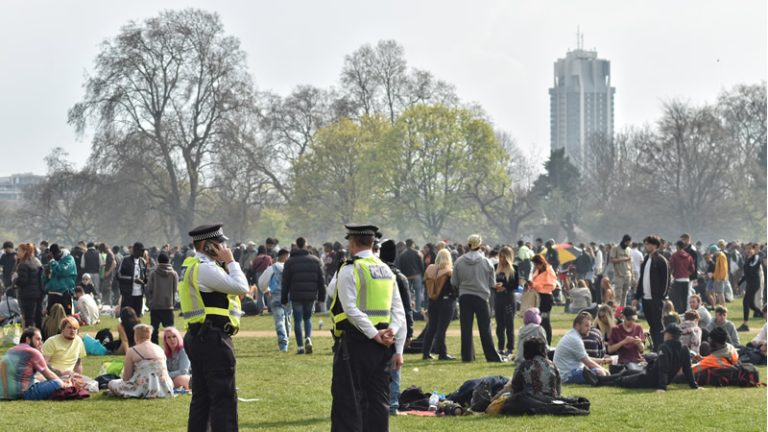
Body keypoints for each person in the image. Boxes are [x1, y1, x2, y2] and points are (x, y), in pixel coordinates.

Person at [329, 223, 406, 432]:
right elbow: (399, 313)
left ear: (352, 243)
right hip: (383, 346)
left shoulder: (350, 268)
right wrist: (394, 341)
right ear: (373, 243)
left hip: (356, 343)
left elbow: (350, 309)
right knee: (378, 403)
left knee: (348, 402)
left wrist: (374, 334)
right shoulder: (386, 271)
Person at [180, 224, 248, 432]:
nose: (224, 247)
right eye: (219, 243)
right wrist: (231, 262)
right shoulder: (206, 268)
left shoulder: (191, 264)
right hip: (213, 339)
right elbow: (242, 288)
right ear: (207, 245)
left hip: (198, 335)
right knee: (224, 398)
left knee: (202, 398)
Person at [587, 324, 700, 392]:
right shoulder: (684, 348)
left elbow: (663, 368)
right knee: (626, 373)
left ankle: (597, 382)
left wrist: (661, 387)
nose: (664, 335)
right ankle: (599, 379)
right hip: (649, 373)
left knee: (622, 380)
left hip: (650, 379)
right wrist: (694, 385)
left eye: (665, 334)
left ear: (669, 335)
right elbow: (687, 369)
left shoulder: (664, 347)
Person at [452, 234, 503, 362]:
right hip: (481, 297)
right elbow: (492, 283)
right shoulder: (486, 262)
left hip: (464, 296)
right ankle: (491, 356)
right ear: (480, 245)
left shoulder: (459, 261)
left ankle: (467, 356)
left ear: (468, 245)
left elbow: (454, 282)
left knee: (466, 328)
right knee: (485, 328)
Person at [378, 238, 414, 415]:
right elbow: (406, 307)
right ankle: (392, 404)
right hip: (396, 326)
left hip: (377, 326)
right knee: (395, 366)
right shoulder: (399, 277)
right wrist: (409, 332)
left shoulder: (376, 273)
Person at [281, 237, 326, 354]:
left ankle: (300, 346)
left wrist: (284, 297)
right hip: (311, 294)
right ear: (306, 245)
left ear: (296, 245)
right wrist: (322, 296)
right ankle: (308, 338)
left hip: (296, 294)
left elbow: (285, 281)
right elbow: (321, 281)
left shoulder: (290, 262)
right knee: (307, 318)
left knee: (297, 320)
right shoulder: (316, 260)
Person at [108, 323, 174, 398]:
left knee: (111, 383)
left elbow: (126, 378)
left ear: (136, 336)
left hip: (143, 389)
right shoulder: (160, 349)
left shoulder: (132, 351)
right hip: (165, 388)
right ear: (150, 335)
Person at [0, 327, 66, 400]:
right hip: (22, 394)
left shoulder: (11, 350)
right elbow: (49, 375)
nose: (41, 343)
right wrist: (64, 384)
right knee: (57, 383)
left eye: (41, 340)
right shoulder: (32, 352)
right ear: (28, 339)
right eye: (38, 339)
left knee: (40, 379)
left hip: (3, 395)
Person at [632, 235, 669, 351]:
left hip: (656, 299)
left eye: (647, 244)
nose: (645, 246)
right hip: (646, 298)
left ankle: (661, 347)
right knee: (652, 325)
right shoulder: (646, 260)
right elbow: (642, 280)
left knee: (658, 325)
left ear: (654, 245)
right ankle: (655, 347)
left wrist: (661, 296)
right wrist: (636, 296)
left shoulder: (661, 260)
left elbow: (667, 280)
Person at [552, 312, 610, 384]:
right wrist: (603, 369)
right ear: (577, 326)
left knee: (599, 371)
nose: (589, 329)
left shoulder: (573, 335)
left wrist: (603, 361)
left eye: (590, 326)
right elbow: (588, 362)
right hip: (568, 376)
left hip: (570, 372)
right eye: (586, 326)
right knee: (600, 372)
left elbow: (586, 358)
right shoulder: (574, 339)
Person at [422, 248, 456, 361]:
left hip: (432, 302)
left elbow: (425, 285)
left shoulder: (430, 269)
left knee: (431, 328)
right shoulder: (449, 272)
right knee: (441, 329)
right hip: (446, 302)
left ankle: (426, 353)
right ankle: (442, 353)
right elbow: (454, 289)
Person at [258, 249, 291, 352]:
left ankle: (283, 344)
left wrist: (266, 290)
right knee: (287, 320)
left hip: (276, 297)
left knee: (279, 321)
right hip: (289, 297)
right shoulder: (290, 268)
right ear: (285, 256)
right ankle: (287, 339)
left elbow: (262, 281)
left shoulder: (272, 268)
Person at [146, 252, 178, 344]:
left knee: (154, 331)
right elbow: (175, 289)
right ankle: (171, 350)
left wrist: (150, 302)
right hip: (168, 306)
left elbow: (149, 289)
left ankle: (155, 351)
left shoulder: (154, 273)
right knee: (171, 332)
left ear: (158, 261)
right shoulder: (174, 274)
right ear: (169, 261)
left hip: (155, 306)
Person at [494, 246, 519, 356]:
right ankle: (500, 347)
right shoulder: (495, 267)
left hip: (509, 299)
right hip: (498, 299)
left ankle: (510, 347)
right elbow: (490, 282)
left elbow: (515, 285)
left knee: (509, 324)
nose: (501, 260)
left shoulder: (514, 268)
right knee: (499, 324)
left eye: (504, 257)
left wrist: (504, 286)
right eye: (500, 257)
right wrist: (495, 286)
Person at [13, 243, 44, 329]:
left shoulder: (23, 264)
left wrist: (15, 279)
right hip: (38, 294)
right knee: (38, 318)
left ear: (25, 252)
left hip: (28, 295)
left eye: (19, 251)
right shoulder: (35, 262)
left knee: (29, 318)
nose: (17, 253)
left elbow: (23, 281)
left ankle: (29, 338)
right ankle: (40, 337)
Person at [529, 254, 557, 344]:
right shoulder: (538, 270)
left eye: (536, 264)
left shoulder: (549, 271)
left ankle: (547, 341)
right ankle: (540, 340)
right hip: (538, 297)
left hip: (546, 298)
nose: (535, 266)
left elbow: (551, 285)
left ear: (541, 263)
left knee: (545, 321)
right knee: (539, 321)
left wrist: (535, 285)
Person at [43, 244, 77, 315]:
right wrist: (46, 274)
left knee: (66, 315)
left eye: (53, 256)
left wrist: (52, 261)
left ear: (59, 253)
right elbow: (45, 278)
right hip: (52, 293)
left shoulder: (69, 259)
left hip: (64, 293)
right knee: (51, 316)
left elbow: (62, 271)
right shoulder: (53, 262)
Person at [738, 243, 765, 332]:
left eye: (750, 248)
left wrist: (747, 265)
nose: (748, 250)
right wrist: (739, 283)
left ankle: (745, 325)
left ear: (754, 249)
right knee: (751, 304)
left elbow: (751, 269)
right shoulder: (748, 259)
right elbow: (746, 274)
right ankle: (764, 314)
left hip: (754, 283)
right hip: (750, 283)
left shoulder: (756, 258)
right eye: (747, 249)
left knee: (746, 301)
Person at [117, 242, 148, 317]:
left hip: (139, 294)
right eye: (141, 250)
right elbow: (118, 275)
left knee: (137, 316)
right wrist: (133, 279)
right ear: (135, 251)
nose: (143, 252)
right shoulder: (125, 260)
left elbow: (145, 277)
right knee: (126, 316)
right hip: (128, 293)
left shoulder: (143, 262)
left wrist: (145, 282)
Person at [396, 239, 426, 314]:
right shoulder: (417, 253)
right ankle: (418, 310)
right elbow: (421, 265)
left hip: (406, 276)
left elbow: (400, 266)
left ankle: (408, 308)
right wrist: (423, 275)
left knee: (407, 293)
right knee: (418, 293)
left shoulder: (402, 254)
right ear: (412, 244)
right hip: (416, 275)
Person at [669, 240, 696, 314]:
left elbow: (671, 266)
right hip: (686, 279)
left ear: (678, 246)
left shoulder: (674, 255)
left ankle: (678, 312)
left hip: (678, 279)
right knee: (684, 297)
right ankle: (684, 312)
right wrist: (687, 273)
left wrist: (672, 274)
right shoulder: (688, 256)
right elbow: (692, 269)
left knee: (677, 297)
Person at [610, 234, 634, 306]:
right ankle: (617, 312)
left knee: (625, 295)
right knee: (618, 295)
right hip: (619, 275)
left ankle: (621, 311)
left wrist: (632, 276)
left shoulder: (629, 249)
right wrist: (624, 259)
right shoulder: (615, 248)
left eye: (629, 243)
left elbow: (630, 263)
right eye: (627, 242)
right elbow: (612, 260)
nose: (627, 244)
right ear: (624, 241)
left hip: (628, 274)